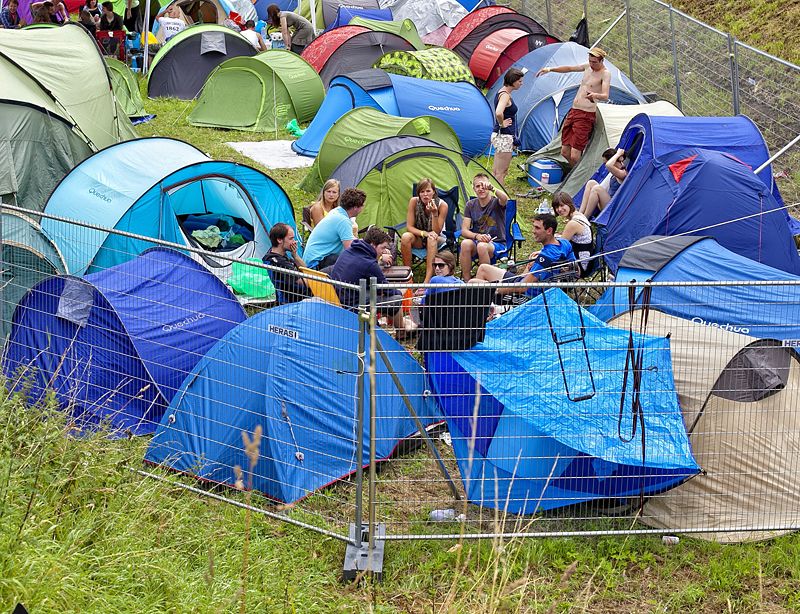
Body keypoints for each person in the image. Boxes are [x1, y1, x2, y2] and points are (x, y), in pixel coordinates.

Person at [331, 226, 412, 338]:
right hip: (353, 306)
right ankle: (401, 332)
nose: (384, 251)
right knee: (396, 299)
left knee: (381, 292)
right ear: (373, 245)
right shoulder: (369, 264)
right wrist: (401, 291)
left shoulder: (349, 251)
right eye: (383, 248)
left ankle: (392, 326)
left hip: (340, 297)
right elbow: (387, 289)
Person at [536, 47, 611, 167]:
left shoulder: (605, 74)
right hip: (573, 111)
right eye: (590, 61)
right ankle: (574, 173)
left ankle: (581, 175)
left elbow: (605, 96)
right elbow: (570, 68)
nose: (591, 64)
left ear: (601, 61)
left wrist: (595, 95)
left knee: (575, 155)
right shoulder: (587, 67)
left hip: (585, 114)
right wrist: (550, 69)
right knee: (564, 152)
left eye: (594, 62)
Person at [470, 213, 575, 295]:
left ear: (549, 231)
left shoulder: (545, 258)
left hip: (529, 295)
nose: (533, 231)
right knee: (483, 268)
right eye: (534, 227)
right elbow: (574, 268)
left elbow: (522, 287)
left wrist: (496, 289)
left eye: (537, 228)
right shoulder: (564, 243)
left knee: (472, 283)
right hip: (531, 283)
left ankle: (485, 306)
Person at [459, 173, 508, 281]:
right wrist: (477, 236)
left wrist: (493, 188)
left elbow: (505, 199)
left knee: (482, 246)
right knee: (465, 243)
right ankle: (466, 281)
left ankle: (483, 282)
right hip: (478, 240)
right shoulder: (470, 205)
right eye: (477, 186)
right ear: (474, 189)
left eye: (484, 186)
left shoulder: (496, 202)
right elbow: (464, 230)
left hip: (497, 243)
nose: (481, 189)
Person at [302, 187, 365, 270]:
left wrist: (365, 243)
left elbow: (350, 239)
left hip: (314, 259)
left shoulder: (337, 211)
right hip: (315, 264)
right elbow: (350, 249)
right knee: (353, 262)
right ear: (355, 207)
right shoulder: (343, 220)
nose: (363, 208)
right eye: (362, 205)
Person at [400, 178, 448, 284]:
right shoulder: (414, 202)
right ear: (418, 193)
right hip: (420, 236)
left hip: (438, 238)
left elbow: (436, 232)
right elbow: (409, 227)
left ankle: (427, 282)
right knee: (405, 237)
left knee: (432, 238)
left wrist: (434, 213)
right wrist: (424, 233)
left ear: (434, 192)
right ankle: (408, 277)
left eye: (428, 191)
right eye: (422, 191)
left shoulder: (442, 205)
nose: (425, 194)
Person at [262, 223, 311, 303]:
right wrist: (321, 279)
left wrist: (295, 256)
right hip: (299, 299)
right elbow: (306, 282)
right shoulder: (279, 262)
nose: (294, 242)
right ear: (279, 240)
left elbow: (306, 270)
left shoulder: (275, 253)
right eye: (291, 239)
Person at [491, 67, 524, 185]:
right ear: (513, 81)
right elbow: (499, 112)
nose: (521, 83)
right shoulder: (505, 95)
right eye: (519, 81)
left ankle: (493, 193)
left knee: (496, 171)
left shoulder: (502, 91)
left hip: (501, 135)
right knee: (501, 172)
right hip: (504, 136)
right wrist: (502, 123)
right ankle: (499, 195)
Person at [552, 191, 593, 276]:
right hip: (587, 260)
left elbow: (560, 247)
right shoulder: (579, 215)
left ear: (569, 204)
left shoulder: (573, 223)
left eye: (562, 205)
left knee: (543, 260)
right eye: (556, 207)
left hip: (579, 265)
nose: (559, 209)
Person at [579, 147, 627, 219]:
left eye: (605, 163)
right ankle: (580, 213)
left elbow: (608, 165)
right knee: (591, 183)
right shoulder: (615, 170)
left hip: (612, 208)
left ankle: (584, 218)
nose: (605, 165)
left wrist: (618, 154)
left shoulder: (622, 173)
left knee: (596, 189)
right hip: (606, 202)